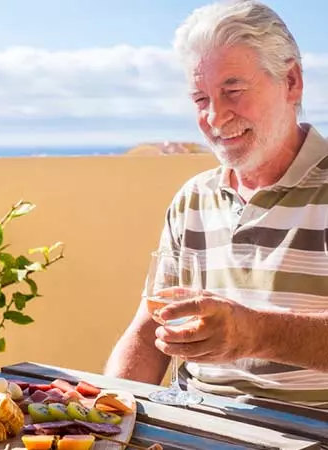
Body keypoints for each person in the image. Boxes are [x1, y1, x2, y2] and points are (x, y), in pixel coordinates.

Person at [105, 0, 328, 407]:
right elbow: (148, 333)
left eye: (233, 91)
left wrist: (255, 333)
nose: (214, 116)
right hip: (196, 429)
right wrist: (103, 419)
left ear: (292, 81)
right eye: (200, 98)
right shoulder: (193, 199)